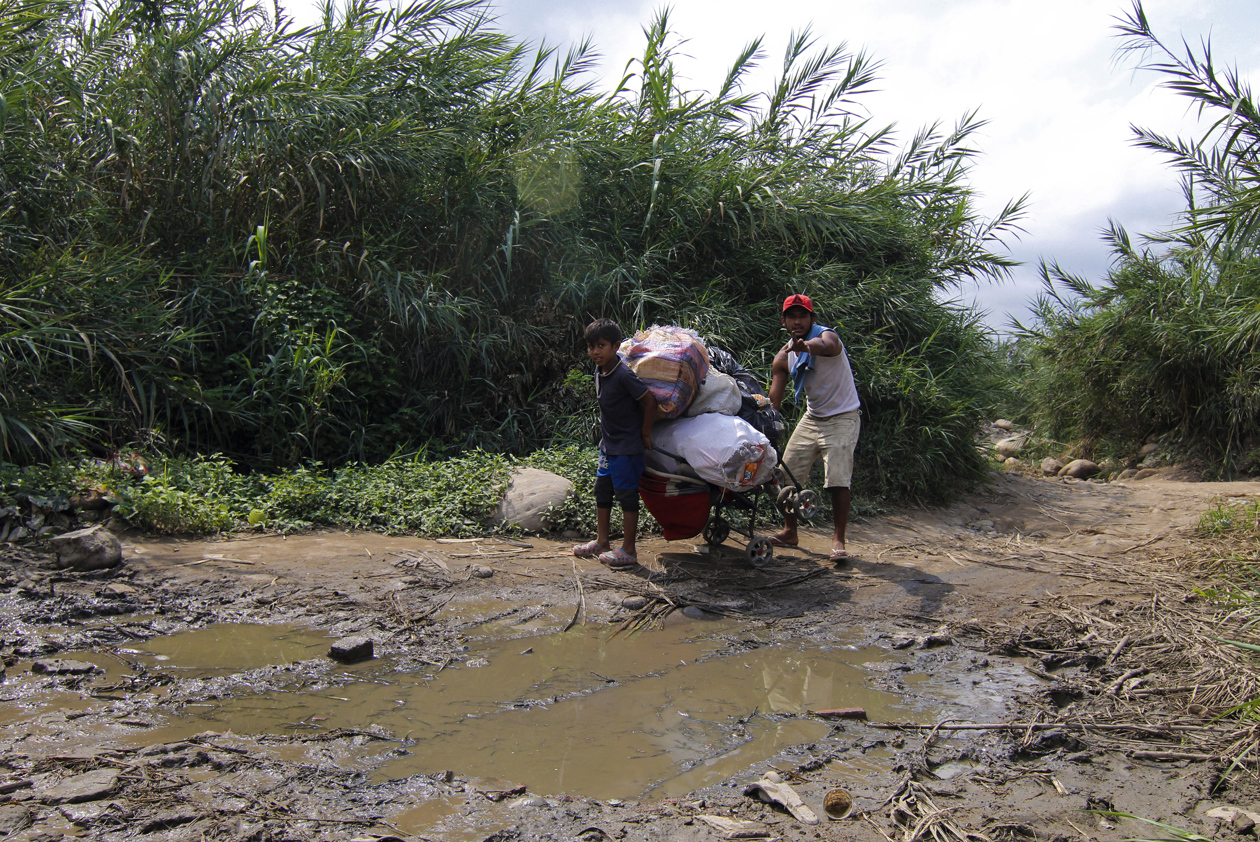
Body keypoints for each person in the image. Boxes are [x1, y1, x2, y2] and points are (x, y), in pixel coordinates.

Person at [768, 294, 861, 560]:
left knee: (838, 481)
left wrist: (806, 347)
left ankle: (838, 540)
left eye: (802, 316)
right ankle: (790, 531)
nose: (797, 321)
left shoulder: (826, 336)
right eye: (791, 317)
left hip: (843, 417)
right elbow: (775, 400)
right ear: (783, 321)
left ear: (812, 319)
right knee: (786, 475)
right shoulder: (784, 357)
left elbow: (826, 346)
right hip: (813, 418)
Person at [572, 318, 658, 569]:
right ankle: (602, 541)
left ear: (616, 346)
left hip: (627, 448)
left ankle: (629, 550)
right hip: (608, 446)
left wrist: (645, 433)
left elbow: (650, 402)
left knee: (626, 495)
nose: (595, 352)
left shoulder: (623, 375)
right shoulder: (600, 371)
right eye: (591, 347)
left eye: (601, 345)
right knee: (602, 490)